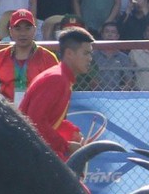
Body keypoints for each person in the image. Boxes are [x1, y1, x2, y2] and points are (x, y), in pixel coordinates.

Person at [18, 24, 95, 162]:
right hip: (30, 156)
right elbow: (35, 122)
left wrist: (72, 132)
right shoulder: (57, 79)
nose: (90, 58)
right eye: (86, 53)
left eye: (90, 53)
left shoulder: (62, 78)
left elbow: (50, 121)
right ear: (69, 54)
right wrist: (66, 146)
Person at [0, 7, 58, 106]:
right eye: (18, 28)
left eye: (27, 28)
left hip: (37, 114)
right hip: (7, 115)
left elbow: (56, 93)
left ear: (34, 30)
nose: (23, 33)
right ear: (10, 31)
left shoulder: (49, 58)